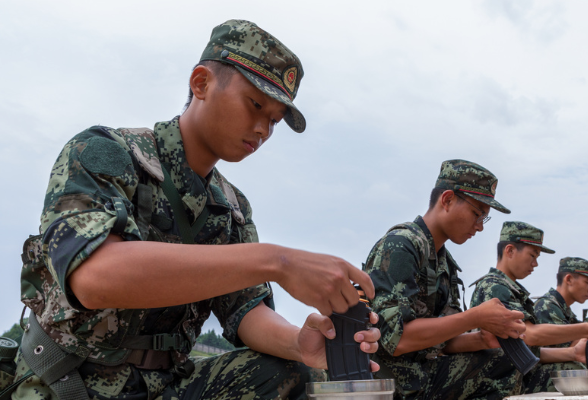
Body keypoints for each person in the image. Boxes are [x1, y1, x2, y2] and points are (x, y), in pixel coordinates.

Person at [12, 20, 380, 400]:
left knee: (287, 373)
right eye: (255, 104)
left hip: (167, 386)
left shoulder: (231, 209)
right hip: (68, 381)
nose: (262, 130)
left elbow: (246, 310)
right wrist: (278, 261)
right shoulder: (107, 152)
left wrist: (299, 344)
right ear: (201, 83)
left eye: (273, 120)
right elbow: (94, 279)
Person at [363, 159, 527, 400]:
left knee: (505, 363)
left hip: (421, 374)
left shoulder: (444, 262)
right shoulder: (401, 245)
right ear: (447, 200)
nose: (480, 227)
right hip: (390, 381)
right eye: (477, 213)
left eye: (484, 218)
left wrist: (482, 337)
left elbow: (442, 342)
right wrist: (476, 316)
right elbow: (396, 340)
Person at [470, 222, 588, 394]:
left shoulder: (510, 290)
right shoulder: (495, 287)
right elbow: (529, 335)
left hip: (508, 378)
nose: (535, 264)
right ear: (509, 251)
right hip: (493, 383)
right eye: (532, 256)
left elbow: (527, 351)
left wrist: (573, 353)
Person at [533, 257, 588, 338]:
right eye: (587, 282)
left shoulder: (565, 311)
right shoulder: (546, 307)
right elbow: (571, 347)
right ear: (569, 279)